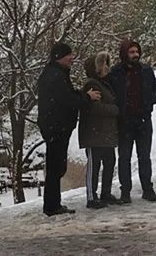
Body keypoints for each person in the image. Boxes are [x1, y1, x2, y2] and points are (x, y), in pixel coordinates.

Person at [37, 42, 100, 216]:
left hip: (54, 126)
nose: (72, 58)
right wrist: (87, 97)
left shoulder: (53, 74)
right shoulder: (56, 76)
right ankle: (52, 206)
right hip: (56, 127)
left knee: (56, 166)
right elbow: (68, 99)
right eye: (69, 55)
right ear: (60, 57)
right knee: (56, 167)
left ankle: (53, 203)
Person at [107, 39, 156, 203]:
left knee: (144, 156)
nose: (135, 55)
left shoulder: (146, 70)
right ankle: (125, 191)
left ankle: (147, 188)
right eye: (131, 52)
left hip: (143, 120)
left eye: (137, 52)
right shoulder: (115, 73)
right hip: (124, 122)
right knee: (124, 157)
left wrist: (150, 101)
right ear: (124, 54)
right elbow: (110, 94)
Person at [79, 52, 123, 209]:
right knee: (94, 165)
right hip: (94, 133)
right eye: (103, 64)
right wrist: (116, 110)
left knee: (109, 162)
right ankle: (91, 197)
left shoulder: (104, 84)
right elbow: (96, 108)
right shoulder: (93, 84)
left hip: (105, 134)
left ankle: (106, 193)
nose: (106, 67)